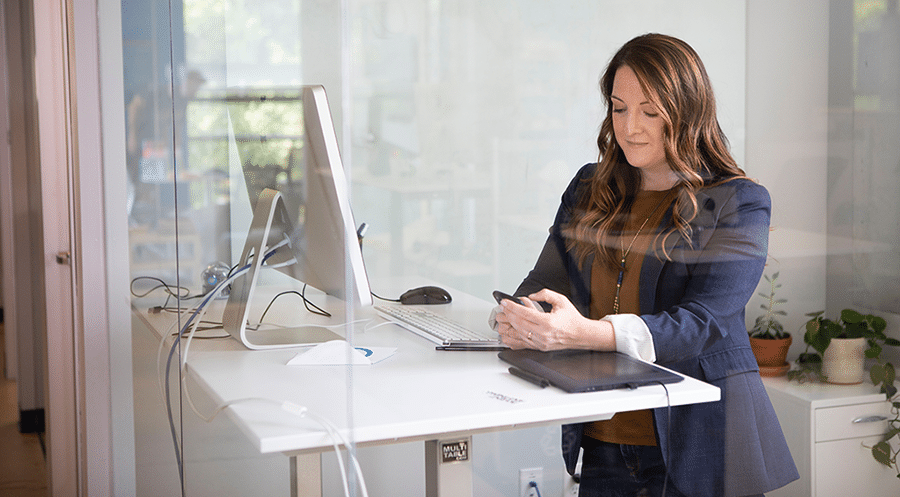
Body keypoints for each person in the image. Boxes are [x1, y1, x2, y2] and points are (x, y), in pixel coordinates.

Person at [492, 33, 799, 497]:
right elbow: (543, 285)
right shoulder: (589, 187)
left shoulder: (739, 201)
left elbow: (703, 323)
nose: (630, 126)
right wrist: (520, 318)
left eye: (650, 112)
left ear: (687, 111)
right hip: (604, 443)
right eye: (619, 108)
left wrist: (581, 333)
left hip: (702, 447)